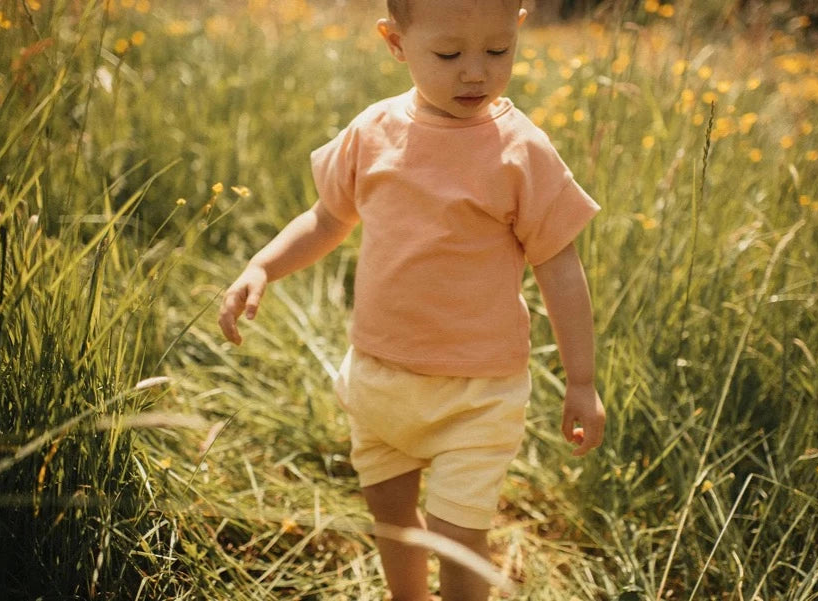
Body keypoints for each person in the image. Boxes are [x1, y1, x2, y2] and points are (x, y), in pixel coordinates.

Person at [218, 0, 606, 599]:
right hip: (378, 381)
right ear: (396, 43)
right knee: (393, 526)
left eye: (497, 50)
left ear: (518, 28)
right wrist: (262, 265)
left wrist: (581, 381)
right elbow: (327, 219)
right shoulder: (373, 132)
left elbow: (559, 265)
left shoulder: (520, 150)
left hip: (476, 395)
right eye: (449, 54)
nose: (475, 72)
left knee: (457, 539)